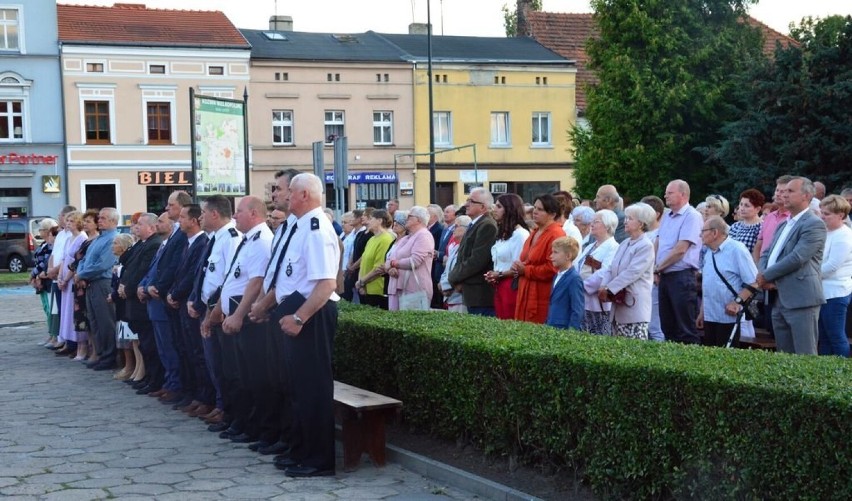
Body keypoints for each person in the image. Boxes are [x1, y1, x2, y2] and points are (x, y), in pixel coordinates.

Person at [273, 173, 340, 478]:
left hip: (310, 315)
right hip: (297, 310)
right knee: (297, 389)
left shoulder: (316, 229)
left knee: (313, 389)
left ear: (303, 195)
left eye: (290, 192)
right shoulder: (300, 226)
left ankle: (319, 460)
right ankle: (301, 450)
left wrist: (300, 317)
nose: (286, 197)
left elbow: (326, 284)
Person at [208, 196, 274, 444]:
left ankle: (253, 426)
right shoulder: (249, 239)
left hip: (247, 317)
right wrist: (218, 310)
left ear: (254, 213)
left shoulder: (261, 240)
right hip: (234, 311)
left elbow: (256, 283)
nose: (234, 216)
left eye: (239, 212)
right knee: (235, 374)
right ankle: (240, 420)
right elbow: (233, 279)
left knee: (251, 376)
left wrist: (237, 315)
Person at [757, 177, 827, 355]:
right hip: (778, 296)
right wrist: (762, 273)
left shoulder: (814, 224)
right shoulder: (783, 225)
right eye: (783, 191)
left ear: (806, 195)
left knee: (805, 356)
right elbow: (766, 252)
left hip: (801, 298)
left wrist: (766, 276)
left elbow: (797, 257)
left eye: (790, 191)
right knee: (784, 357)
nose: (784, 195)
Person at [195, 196, 243, 430]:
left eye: (203, 212)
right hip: (209, 307)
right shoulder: (216, 238)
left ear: (215, 213)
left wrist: (212, 311)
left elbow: (228, 280)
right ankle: (220, 404)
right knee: (213, 362)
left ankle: (226, 409)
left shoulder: (231, 238)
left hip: (219, 310)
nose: (200, 217)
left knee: (223, 364)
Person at [167, 203, 215, 419]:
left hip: (192, 305)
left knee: (198, 354)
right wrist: (173, 293)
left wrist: (177, 294)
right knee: (187, 352)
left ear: (194, 220)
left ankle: (206, 398)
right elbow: (181, 273)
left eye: (184, 217)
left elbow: (193, 276)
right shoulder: (189, 243)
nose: (179, 221)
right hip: (183, 304)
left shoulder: (202, 242)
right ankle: (195, 394)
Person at [594, 203, 657, 339]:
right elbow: (611, 268)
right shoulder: (624, 243)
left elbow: (632, 273)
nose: (625, 221)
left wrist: (609, 289)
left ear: (641, 224)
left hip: (634, 306)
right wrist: (603, 286)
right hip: (618, 304)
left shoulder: (645, 246)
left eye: (630, 218)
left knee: (633, 351)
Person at [696, 216, 759, 347]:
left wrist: (736, 303)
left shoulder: (737, 249)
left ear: (714, 233)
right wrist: (702, 312)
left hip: (729, 317)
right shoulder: (709, 252)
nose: (700, 234)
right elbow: (707, 285)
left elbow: (754, 282)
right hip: (710, 316)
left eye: (703, 231)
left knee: (725, 358)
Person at [656, 179, 703, 344]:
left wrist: (657, 268)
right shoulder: (667, 216)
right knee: (667, 326)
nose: (665, 195)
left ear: (682, 195)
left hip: (682, 276)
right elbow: (658, 242)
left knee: (685, 328)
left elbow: (681, 249)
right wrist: (656, 268)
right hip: (665, 276)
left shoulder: (692, 216)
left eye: (670, 193)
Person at [512, 193, 566, 324]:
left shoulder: (556, 234)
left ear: (552, 214)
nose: (535, 212)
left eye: (540, 209)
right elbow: (527, 259)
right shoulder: (535, 231)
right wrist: (519, 266)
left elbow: (552, 268)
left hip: (541, 294)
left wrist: (525, 270)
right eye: (534, 208)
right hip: (525, 290)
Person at [448, 188, 498, 316]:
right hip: (471, 291)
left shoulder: (487, 226)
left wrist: (453, 277)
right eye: (467, 200)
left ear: (483, 207)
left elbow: (477, 260)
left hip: (480, 294)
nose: (466, 204)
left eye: (471, 201)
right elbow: (462, 255)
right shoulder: (475, 224)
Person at [816, 195, 852, 357]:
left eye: (827, 214)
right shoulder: (827, 232)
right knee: (823, 337)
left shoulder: (844, 236)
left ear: (841, 215)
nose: (823, 217)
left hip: (836, 293)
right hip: (823, 292)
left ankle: (844, 373)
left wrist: (809, 276)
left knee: (836, 336)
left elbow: (832, 267)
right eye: (822, 213)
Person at [485, 193, 529, 319]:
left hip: (512, 286)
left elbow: (518, 267)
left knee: (510, 321)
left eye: (499, 206)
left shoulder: (520, 234)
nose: (494, 209)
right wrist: (493, 275)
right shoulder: (503, 233)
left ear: (509, 209)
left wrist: (498, 274)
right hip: (500, 284)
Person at [576, 210, 619, 334]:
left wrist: (581, 286)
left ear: (607, 226)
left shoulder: (614, 247)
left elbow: (605, 272)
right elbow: (578, 267)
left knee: (598, 338)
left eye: (596, 222)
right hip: (582, 300)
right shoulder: (590, 246)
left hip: (597, 304)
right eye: (592, 221)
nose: (592, 224)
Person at [384, 206, 434, 311]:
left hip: (414, 290)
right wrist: (390, 267)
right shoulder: (406, 238)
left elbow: (415, 261)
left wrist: (394, 264)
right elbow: (389, 259)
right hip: (398, 287)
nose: (406, 219)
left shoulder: (424, 235)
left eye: (410, 216)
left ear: (419, 220)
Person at [55, 211, 87, 358]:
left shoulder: (82, 238)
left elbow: (76, 262)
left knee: (74, 312)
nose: (68, 223)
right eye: (67, 220)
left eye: (72, 221)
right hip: (65, 277)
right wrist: (60, 278)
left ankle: (77, 344)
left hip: (72, 277)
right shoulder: (69, 239)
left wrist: (67, 278)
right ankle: (68, 341)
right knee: (65, 311)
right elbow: (64, 259)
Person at [108, 233, 138, 380]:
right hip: (119, 303)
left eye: (115, 243)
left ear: (124, 246)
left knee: (128, 337)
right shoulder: (118, 262)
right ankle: (127, 364)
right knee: (122, 336)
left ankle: (132, 366)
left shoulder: (127, 262)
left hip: (126, 304)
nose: (112, 246)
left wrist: (115, 294)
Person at [355, 209, 394, 309]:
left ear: (380, 221)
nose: (368, 221)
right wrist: (361, 283)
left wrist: (362, 282)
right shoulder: (372, 239)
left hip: (376, 289)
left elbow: (379, 268)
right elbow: (363, 261)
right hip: (365, 287)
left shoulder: (386, 239)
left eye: (371, 219)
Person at [640, 196, 666, 342]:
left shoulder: (659, 234)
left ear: (655, 214)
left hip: (652, 284)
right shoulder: (644, 235)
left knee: (654, 327)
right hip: (642, 286)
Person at [546, 236, 583, 330]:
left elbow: (577, 309)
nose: (551, 256)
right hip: (551, 325)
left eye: (555, 252)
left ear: (568, 256)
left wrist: (571, 333)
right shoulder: (556, 276)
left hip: (563, 329)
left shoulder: (574, 278)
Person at [31, 218, 58, 332]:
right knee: (46, 307)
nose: (39, 231)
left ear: (48, 230)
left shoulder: (50, 246)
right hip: (40, 278)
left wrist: (34, 274)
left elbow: (45, 263)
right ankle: (51, 333)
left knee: (51, 308)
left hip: (46, 279)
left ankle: (53, 334)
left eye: (41, 229)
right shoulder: (43, 244)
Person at [440, 215, 472, 312]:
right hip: (450, 295)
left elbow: (463, 270)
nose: (453, 229)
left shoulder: (468, 247)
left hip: (460, 296)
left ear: (466, 229)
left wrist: (446, 285)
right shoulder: (454, 247)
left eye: (456, 226)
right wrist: (441, 284)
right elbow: (447, 269)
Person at [730, 189, 765, 255]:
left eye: (747, 206)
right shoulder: (735, 226)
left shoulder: (762, 228)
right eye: (741, 204)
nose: (742, 208)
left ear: (757, 209)